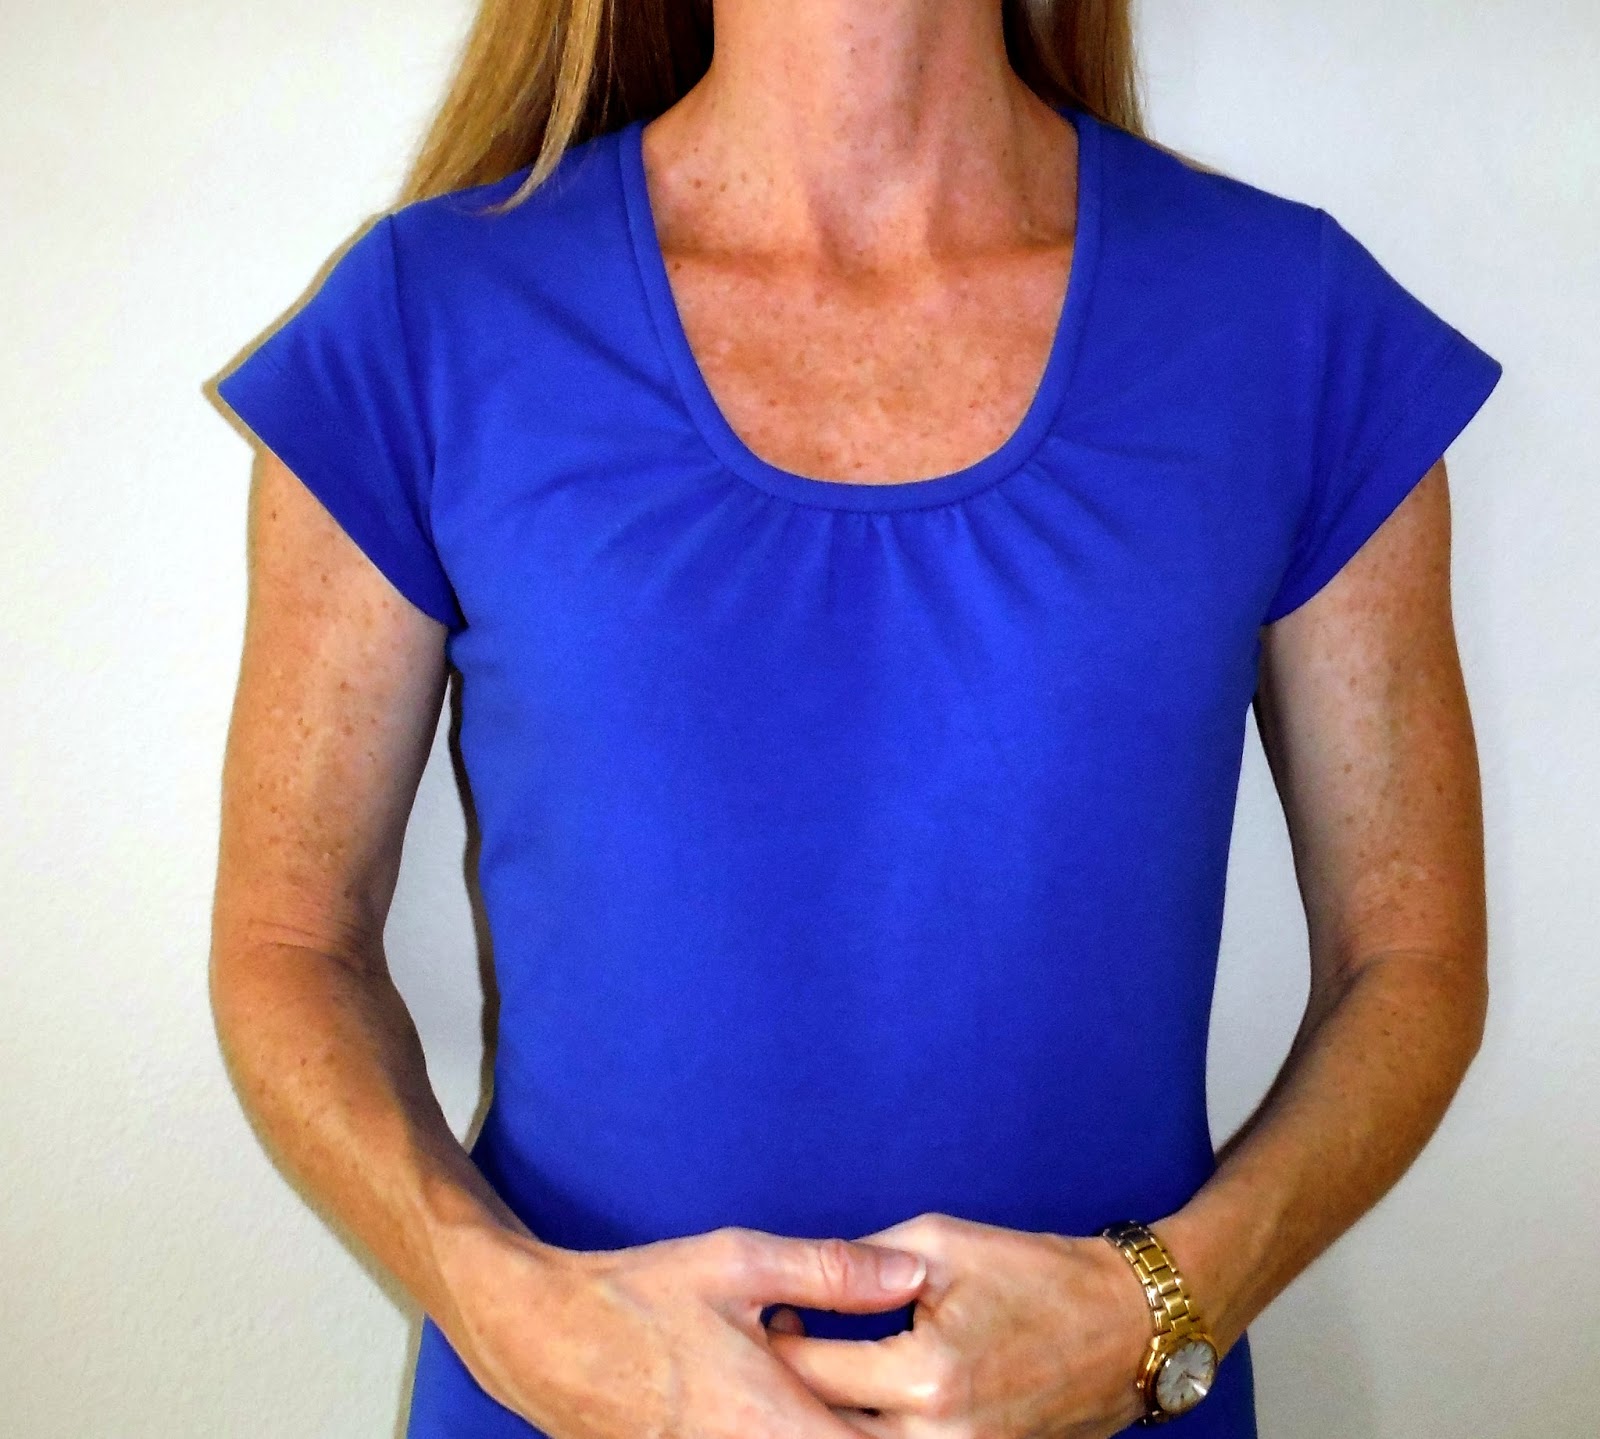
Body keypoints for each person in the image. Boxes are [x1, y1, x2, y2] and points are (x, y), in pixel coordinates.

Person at [203, 2, 1503, 1436]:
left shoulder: (1286, 319)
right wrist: (516, 1317)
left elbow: (1408, 958)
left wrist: (1159, 1304)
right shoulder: (431, 317)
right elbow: (291, 944)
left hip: (1120, 1409)